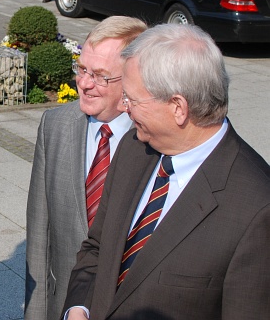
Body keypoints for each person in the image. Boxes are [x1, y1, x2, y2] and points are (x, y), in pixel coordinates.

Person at [64, 24, 270, 320]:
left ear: (178, 107)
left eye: (132, 99)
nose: (124, 107)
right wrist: (78, 308)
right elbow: (97, 248)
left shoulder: (257, 209)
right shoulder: (134, 148)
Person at [25, 16, 147, 320]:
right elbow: (40, 235)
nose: (84, 83)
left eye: (101, 76)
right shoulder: (55, 126)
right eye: (82, 69)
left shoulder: (154, 141)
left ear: (134, 79)